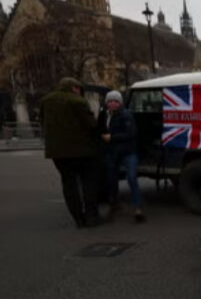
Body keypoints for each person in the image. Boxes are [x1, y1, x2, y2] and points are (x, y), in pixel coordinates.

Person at [40, 77, 100, 228]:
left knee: (68, 184)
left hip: (58, 152)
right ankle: (91, 216)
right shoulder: (78, 101)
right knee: (88, 182)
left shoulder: (46, 101)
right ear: (74, 88)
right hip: (82, 151)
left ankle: (78, 218)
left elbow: (42, 122)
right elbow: (91, 125)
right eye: (79, 89)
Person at [99, 90, 145, 222]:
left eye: (115, 101)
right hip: (112, 152)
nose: (112, 103)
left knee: (131, 178)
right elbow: (101, 129)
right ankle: (113, 204)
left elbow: (131, 133)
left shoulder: (126, 115)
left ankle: (138, 208)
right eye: (110, 101)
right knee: (111, 179)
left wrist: (112, 137)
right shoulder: (105, 115)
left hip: (128, 152)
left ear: (120, 103)